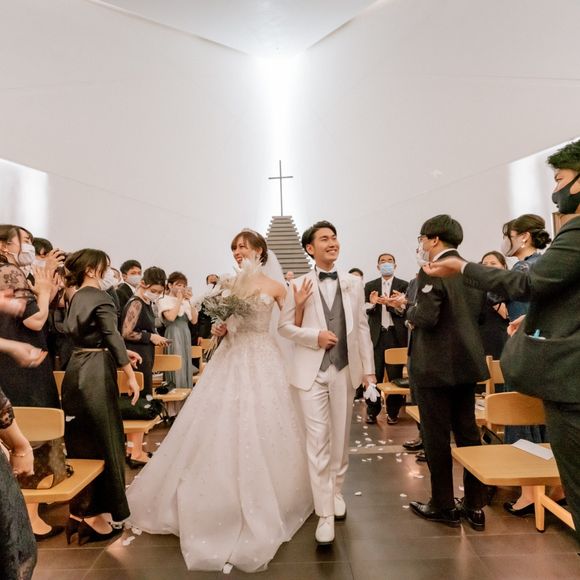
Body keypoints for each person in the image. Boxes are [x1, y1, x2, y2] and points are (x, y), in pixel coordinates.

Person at [127, 230, 312, 573]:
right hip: (231, 356)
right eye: (234, 247)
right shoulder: (229, 284)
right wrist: (221, 328)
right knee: (217, 423)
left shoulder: (276, 287)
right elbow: (226, 322)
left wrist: (299, 305)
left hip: (263, 356)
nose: (238, 251)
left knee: (264, 421)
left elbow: (289, 327)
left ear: (259, 250)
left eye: (243, 246)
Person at [424, 139, 580, 542]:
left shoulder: (576, 231)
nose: (556, 189)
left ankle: (532, 493)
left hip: (567, 375)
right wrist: (538, 316)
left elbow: (528, 283)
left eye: (560, 179)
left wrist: (463, 268)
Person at [279, 220, 375, 546]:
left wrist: (369, 372)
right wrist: (314, 336)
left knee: (340, 438)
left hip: (344, 370)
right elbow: (284, 328)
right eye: (324, 239)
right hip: (310, 373)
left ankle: (335, 492)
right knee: (318, 440)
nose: (332, 243)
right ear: (310, 248)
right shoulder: (297, 285)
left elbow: (361, 328)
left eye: (334, 237)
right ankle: (323, 514)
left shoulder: (353, 283)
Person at [406, 215, 489, 531]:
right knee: (468, 433)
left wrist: (407, 309)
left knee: (436, 436)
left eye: (422, 239)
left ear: (434, 239)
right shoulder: (470, 271)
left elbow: (426, 317)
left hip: (435, 366)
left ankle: (443, 504)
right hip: (465, 363)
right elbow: (477, 316)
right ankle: (475, 504)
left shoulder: (433, 270)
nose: (421, 245)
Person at [61, 249, 141, 545]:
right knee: (105, 439)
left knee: (80, 440)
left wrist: (121, 351)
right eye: (105, 267)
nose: (108, 272)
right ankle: (95, 516)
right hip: (96, 371)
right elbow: (111, 334)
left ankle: (79, 512)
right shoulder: (101, 297)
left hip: (76, 368)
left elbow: (93, 335)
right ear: (91, 269)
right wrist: (129, 374)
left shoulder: (75, 296)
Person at [0, 224, 62, 539]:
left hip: (10, 360)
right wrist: (45, 291)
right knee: (32, 430)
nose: (29, 246)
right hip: (23, 363)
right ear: (4, 245)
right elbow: (35, 319)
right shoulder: (9, 272)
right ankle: (31, 517)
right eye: (24, 240)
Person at [121, 266, 168, 467]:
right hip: (136, 357)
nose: (156, 294)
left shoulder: (146, 302)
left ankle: (134, 449)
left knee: (139, 402)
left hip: (144, 355)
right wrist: (151, 337)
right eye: (153, 290)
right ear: (143, 284)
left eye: (159, 292)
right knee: (138, 404)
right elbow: (126, 332)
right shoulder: (136, 303)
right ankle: (135, 452)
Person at [364, 253, 409, 424]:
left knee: (395, 376)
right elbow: (364, 309)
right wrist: (373, 303)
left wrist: (393, 305)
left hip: (395, 335)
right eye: (383, 261)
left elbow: (405, 311)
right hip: (376, 336)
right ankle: (372, 410)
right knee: (374, 374)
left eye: (390, 261)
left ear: (395, 266)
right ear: (378, 266)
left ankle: (393, 412)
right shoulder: (370, 286)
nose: (386, 264)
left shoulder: (403, 285)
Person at [157, 271, 198, 387]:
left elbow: (194, 321)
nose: (182, 288)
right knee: (176, 362)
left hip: (185, 333)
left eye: (184, 286)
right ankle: (175, 390)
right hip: (173, 332)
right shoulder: (163, 299)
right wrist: (179, 300)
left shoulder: (186, 301)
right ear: (170, 285)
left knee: (186, 362)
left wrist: (190, 301)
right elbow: (171, 317)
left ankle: (187, 392)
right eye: (179, 285)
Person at [478, 251, 509, 360]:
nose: (488, 266)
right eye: (485, 264)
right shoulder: (479, 288)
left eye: (493, 263)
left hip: (500, 336)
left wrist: (491, 292)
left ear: (504, 266)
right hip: (481, 336)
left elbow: (506, 314)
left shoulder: (508, 285)